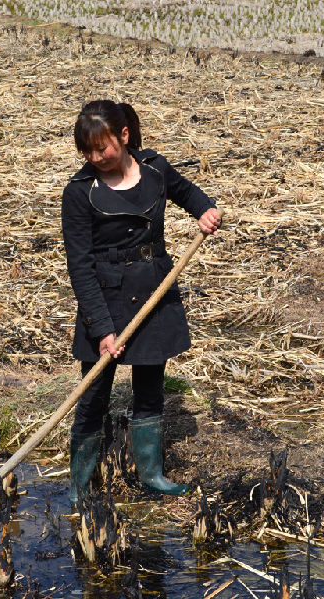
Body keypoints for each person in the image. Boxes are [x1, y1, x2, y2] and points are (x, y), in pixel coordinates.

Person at [61, 100, 220, 505]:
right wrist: (101, 328)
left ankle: (151, 474)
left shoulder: (154, 169)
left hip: (152, 289)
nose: (96, 158)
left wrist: (205, 211)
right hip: (107, 297)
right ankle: (80, 484)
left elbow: (185, 191)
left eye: (103, 149)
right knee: (94, 392)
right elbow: (80, 267)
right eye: (88, 152)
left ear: (124, 136)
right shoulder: (80, 194)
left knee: (150, 386)